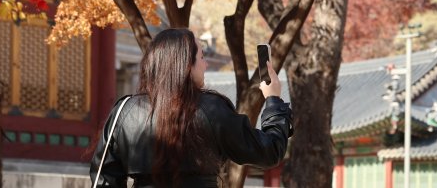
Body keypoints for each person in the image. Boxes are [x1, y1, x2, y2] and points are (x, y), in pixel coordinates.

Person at [90, 28, 292, 187]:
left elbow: (103, 180)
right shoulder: (212, 109)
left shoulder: (123, 111)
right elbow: (269, 151)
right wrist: (273, 100)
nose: (205, 65)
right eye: (202, 58)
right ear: (186, 65)